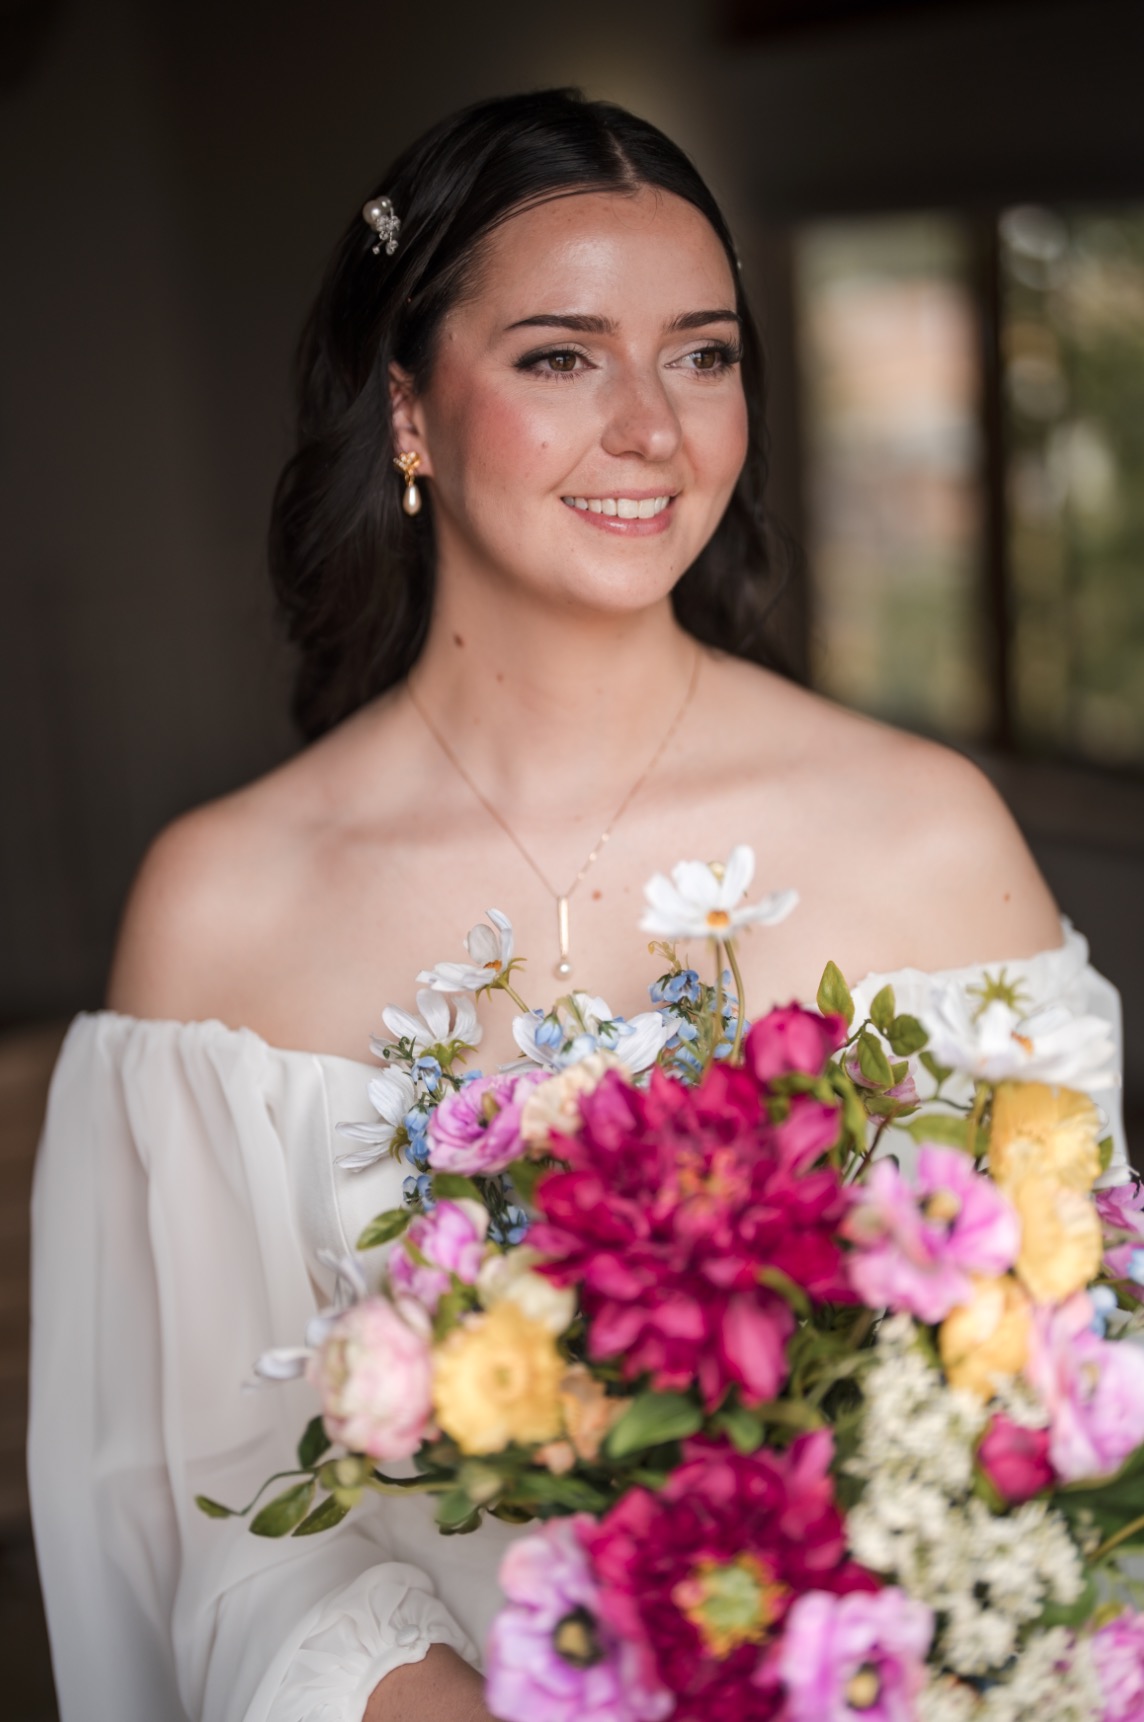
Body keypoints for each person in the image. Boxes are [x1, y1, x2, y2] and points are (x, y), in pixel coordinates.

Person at [28, 88, 1128, 1722]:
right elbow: (207, 1523)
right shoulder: (224, 909)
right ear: (408, 405)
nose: (654, 428)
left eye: (702, 351)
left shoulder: (928, 832)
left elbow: (1081, 1388)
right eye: (560, 356)